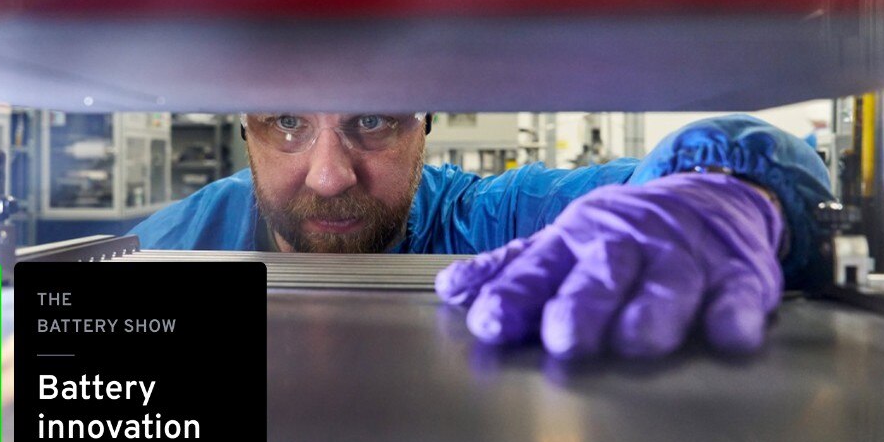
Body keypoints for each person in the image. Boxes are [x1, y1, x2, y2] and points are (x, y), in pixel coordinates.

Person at [129, 112, 832, 359]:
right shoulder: (184, 238)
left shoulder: (489, 221)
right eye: (286, 121)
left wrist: (732, 189)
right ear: (244, 133)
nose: (330, 175)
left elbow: (662, 180)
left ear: (424, 125)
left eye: (372, 119)